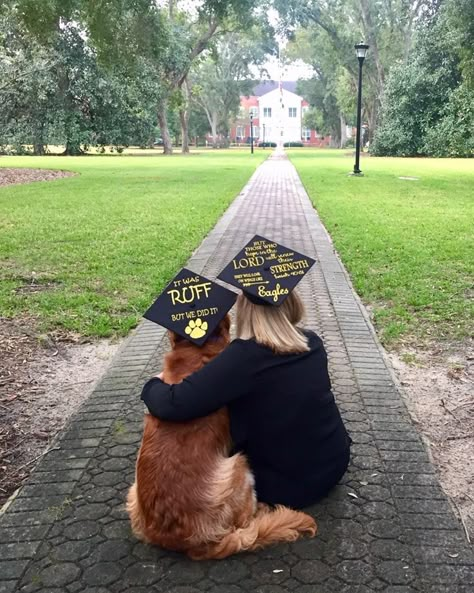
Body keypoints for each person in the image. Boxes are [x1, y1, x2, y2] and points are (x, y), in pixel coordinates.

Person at [141, 285, 351, 510]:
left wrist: (153, 383)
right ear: (291, 303)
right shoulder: (311, 341)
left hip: (292, 487)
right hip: (333, 462)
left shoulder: (243, 358)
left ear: (245, 310)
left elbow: (173, 404)